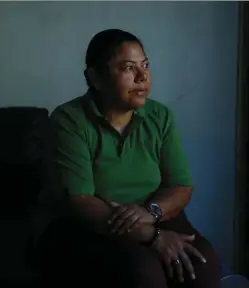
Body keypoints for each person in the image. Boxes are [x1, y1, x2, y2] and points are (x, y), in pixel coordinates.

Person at [35, 29, 221, 288]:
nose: (142, 77)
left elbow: (180, 186)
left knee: (204, 263)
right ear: (95, 78)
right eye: (128, 68)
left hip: (154, 213)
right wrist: (154, 237)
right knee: (144, 272)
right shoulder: (69, 120)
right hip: (91, 226)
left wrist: (150, 214)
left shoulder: (160, 116)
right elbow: (80, 201)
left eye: (145, 66)